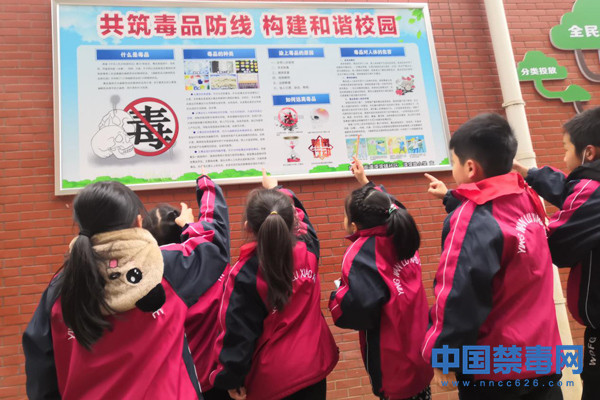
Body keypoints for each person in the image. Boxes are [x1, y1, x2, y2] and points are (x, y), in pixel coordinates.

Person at [23, 175, 228, 399]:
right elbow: (214, 244)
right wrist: (207, 187)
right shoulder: (164, 269)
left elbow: (41, 374)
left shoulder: (61, 288)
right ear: (139, 224)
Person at [423, 113, 562, 399]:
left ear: (470, 167)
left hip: (494, 369)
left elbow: (457, 294)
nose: (453, 169)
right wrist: (451, 198)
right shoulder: (527, 198)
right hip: (542, 358)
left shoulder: (470, 218)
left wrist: (442, 355)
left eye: (454, 162)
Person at [210, 170, 338, 400]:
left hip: (273, 381)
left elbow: (237, 333)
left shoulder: (245, 272)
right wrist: (279, 190)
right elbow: (302, 218)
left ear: (248, 227)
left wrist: (231, 377)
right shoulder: (308, 247)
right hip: (314, 367)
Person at [329, 157, 433, 400]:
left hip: (392, 364)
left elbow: (355, 313)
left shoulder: (360, 253)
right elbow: (392, 205)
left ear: (354, 225)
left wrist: (337, 296)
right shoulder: (403, 232)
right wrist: (365, 182)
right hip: (421, 349)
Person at [514, 106, 600, 400]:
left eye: (566, 149)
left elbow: (557, 245)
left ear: (588, 153)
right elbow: (570, 191)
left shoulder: (592, 190)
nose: (564, 158)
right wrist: (528, 173)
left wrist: (522, 225)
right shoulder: (590, 188)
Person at [143, 178, 232, 400]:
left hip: (183, 384)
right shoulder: (213, 260)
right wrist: (190, 226)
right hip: (223, 375)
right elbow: (214, 227)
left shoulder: (148, 288)